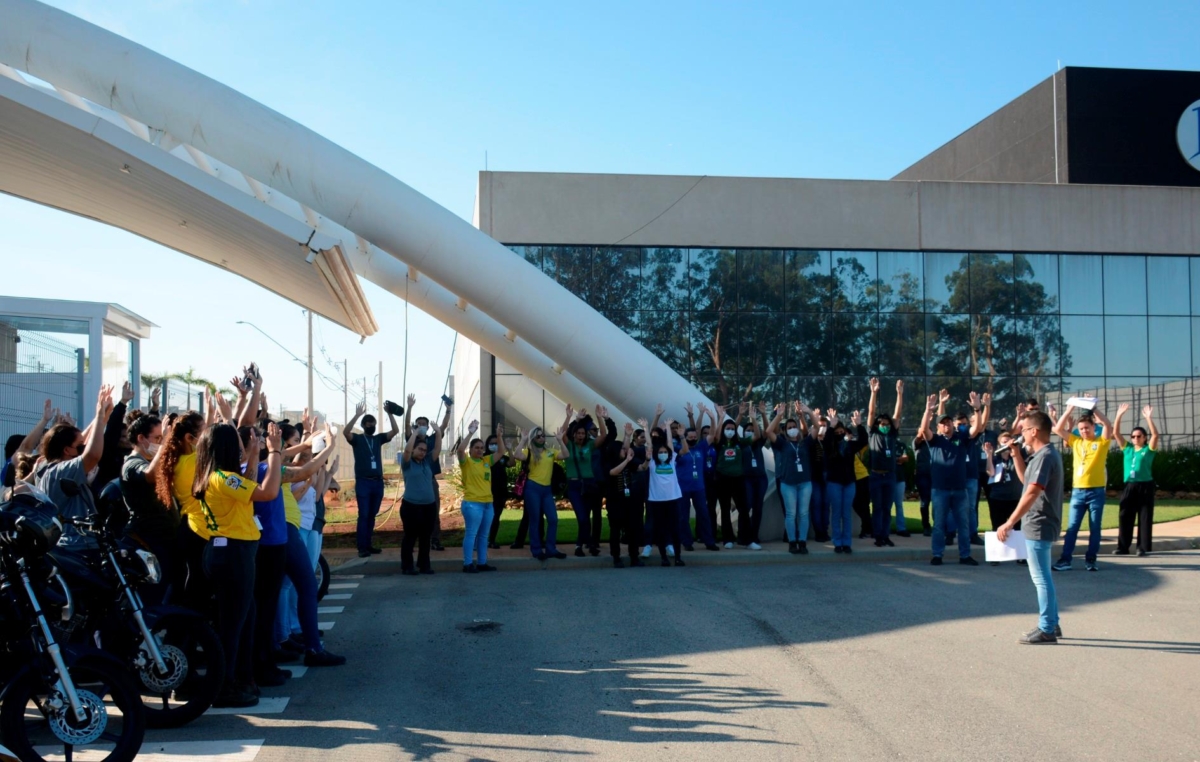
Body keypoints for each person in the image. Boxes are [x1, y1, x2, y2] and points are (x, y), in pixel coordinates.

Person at [191, 421, 283, 708]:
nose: (244, 447)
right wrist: (275, 452)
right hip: (233, 555)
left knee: (245, 619)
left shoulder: (219, 477)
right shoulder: (222, 478)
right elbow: (266, 492)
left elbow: (250, 483)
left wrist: (255, 454)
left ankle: (242, 678)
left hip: (230, 553)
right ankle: (223, 686)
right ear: (228, 448)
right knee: (232, 626)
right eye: (241, 444)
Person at [997, 411, 1064, 645]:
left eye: (1024, 429)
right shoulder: (1043, 455)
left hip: (1039, 523)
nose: (1021, 433)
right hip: (1040, 522)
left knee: (1041, 578)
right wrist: (1016, 455)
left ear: (1034, 431)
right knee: (1043, 577)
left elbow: (1033, 491)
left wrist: (1010, 521)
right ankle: (1052, 623)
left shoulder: (1045, 456)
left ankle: (1046, 628)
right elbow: (1027, 480)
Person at [34, 385, 114, 548]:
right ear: (67, 450)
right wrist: (99, 416)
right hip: (74, 546)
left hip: (80, 543)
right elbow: (92, 455)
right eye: (79, 446)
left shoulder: (50, 468)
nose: (83, 447)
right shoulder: (59, 471)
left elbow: (84, 441)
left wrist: (104, 417)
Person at [918, 392, 984, 566]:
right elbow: (924, 430)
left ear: (953, 425)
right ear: (938, 427)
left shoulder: (961, 439)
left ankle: (965, 555)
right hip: (940, 490)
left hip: (960, 490)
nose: (946, 425)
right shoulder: (935, 441)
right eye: (943, 423)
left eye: (948, 422)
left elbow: (976, 428)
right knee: (939, 525)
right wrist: (927, 411)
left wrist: (978, 409)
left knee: (963, 525)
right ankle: (937, 555)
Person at [1052, 402, 1118, 572]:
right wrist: (1069, 409)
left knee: (1095, 527)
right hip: (1078, 492)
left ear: (1093, 427)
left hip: (1096, 491)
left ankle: (1091, 560)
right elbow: (1058, 429)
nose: (1084, 431)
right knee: (1072, 527)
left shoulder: (1102, 442)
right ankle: (1065, 560)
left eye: (1087, 428)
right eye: (1081, 429)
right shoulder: (1076, 441)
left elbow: (1108, 425)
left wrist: (1093, 407)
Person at [118, 411, 175, 604]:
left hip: (163, 540)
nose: (161, 443)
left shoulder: (151, 460)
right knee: (149, 598)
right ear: (141, 438)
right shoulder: (132, 464)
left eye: (162, 438)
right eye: (157, 438)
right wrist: (166, 442)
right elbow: (150, 476)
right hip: (147, 541)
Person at [344, 400, 400, 559]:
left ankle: (368, 544)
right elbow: (345, 432)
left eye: (373, 423)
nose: (372, 426)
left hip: (377, 482)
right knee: (364, 514)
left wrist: (390, 413)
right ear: (363, 425)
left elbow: (395, 430)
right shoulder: (357, 439)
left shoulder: (378, 439)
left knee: (372, 515)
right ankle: (362, 547)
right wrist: (356, 415)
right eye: (368, 423)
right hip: (363, 482)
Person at [558, 404, 609, 557]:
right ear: (574, 435)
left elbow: (603, 435)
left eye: (583, 433)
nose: (581, 435)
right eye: (578, 433)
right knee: (582, 517)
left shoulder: (590, 445)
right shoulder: (569, 446)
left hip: (589, 484)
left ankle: (582, 546)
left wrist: (600, 418)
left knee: (586, 517)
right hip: (574, 485)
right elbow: (562, 433)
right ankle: (586, 544)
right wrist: (569, 417)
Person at [405, 399, 452, 551]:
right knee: (414, 513)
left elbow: (443, 427)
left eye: (424, 424)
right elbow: (406, 427)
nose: (421, 426)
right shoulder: (412, 441)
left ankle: (434, 540)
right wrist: (410, 407)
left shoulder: (432, 440)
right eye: (418, 424)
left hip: (430, 480)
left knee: (433, 511)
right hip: (414, 480)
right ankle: (413, 541)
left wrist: (448, 410)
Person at [766, 402, 814, 555]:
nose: (793, 429)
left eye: (794, 427)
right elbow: (768, 431)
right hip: (788, 484)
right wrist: (779, 416)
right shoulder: (782, 444)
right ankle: (792, 542)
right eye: (789, 427)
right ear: (786, 431)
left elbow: (816, 429)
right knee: (791, 514)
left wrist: (808, 413)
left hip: (805, 483)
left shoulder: (805, 443)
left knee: (804, 513)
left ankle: (802, 542)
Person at [513, 426, 566, 561]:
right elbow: (517, 455)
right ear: (533, 438)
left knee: (553, 519)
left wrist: (560, 440)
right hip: (532, 488)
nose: (542, 438)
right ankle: (536, 550)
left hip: (547, 490)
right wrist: (523, 440)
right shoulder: (529, 452)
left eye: (543, 435)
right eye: (538, 436)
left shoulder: (550, 452)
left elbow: (565, 455)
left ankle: (551, 549)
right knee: (535, 520)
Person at [458, 419, 505, 573]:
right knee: (471, 533)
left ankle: (482, 563)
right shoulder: (467, 462)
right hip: (472, 504)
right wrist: (470, 433)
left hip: (487, 504)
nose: (479, 450)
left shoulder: (486, 461)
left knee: (484, 535)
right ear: (470, 450)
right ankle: (467, 563)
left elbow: (501, 452)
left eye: (481, 448)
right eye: (476, 448)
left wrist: (499, 436)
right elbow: (460, 450)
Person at [1112, 405, 1158, 557]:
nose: (1135, 438)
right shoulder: (1128, 449)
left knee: (1144, 517)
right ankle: (1123, 547)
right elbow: (1115, 433)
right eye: (1133, 436)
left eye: (1139, 436)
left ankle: (1142, 548)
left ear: (1144, 438)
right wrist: (1119, 415)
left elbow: (1156, 436)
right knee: (1125, 515)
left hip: (1145, 485)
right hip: (1129, 486)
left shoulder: (1148, 450)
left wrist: (1148, 419)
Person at [399, 417, 443, 575]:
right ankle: (407, 566)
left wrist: (438, 433)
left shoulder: (427, 462)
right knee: (410, 537)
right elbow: (407, 451)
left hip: (428, 506)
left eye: (425, 450)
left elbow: (437, 449)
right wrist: (415, 432)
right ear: (414, 450)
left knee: (425, 537)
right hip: (411, 506)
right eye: (420, 449)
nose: (423, 452)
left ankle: (424, 565)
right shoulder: (407, 462)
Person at [866, 378, 904, 547]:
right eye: (882, 424)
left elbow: (897, 415)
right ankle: (878, 536)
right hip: (875, 476)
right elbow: (871, 412)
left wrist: (899, 394)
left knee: (888, 508)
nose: (885, 426)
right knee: (878, 508)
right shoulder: (873, 433)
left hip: (890, 476)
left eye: (887, 424)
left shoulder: (892, 434)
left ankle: (885, 534)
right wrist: (873, 393)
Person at [712, 404, 755, 549]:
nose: (730, 431)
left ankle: (747, 540)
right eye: (727, 429)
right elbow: (716, 435)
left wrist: (742, 415)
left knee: (744, 509)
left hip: (738, 479)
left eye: (732, 429)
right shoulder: (719, 442)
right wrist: (721, 417)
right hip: (722, 479)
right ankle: (727, 539)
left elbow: (756, 437)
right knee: (725, 509)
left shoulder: (739, 442)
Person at [676, 409, 719, 552]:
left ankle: (709, 541)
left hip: (699, 488)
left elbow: (712, 434)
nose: (693, 438)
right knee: (683, 516)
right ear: (685, 437)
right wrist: (681, 437)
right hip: (683, 488)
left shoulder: (701, 446)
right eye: (691, 436)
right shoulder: (679, 448)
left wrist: (713, 418)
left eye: (695, 436)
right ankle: (687, 541)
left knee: (704, 514)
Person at [646, 416, 686, 567]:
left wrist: (669, 428)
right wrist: (645, 428)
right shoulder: (651, 462)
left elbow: (669, 444)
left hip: (673, 499)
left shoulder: (672, 459)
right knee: (660, 530)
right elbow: (649, 445)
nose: (663, 453)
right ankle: (663, 557)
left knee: (675, 529)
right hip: (657, 501)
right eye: (660, 452)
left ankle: (677, 557)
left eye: (665, 452)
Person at [984, 432, 1027, 567]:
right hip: (998, 497)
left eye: (1009, 441)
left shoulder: (1017, 456)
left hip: (1015, 497)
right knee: (997, 525)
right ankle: (996, 555)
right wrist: (989, 455)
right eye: (1004, 442)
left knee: (1018, 526)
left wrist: (1015, 452)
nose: (1006, 444)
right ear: (999, 444)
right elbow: (990, 472)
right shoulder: (996, 459)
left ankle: (1020, 555)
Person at [823, 410, 861, 553]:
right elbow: (826, 442)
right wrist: (831, 426)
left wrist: (859, 425)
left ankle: (847, 542)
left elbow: (863, 441)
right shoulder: (831, 446)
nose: (840, 434)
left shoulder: (850, 445)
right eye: (837, 432)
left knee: (846, 513)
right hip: (834, 483)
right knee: (837, 513)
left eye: (842, 432)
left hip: (849, 483)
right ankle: (837, 542)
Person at [742, 402, 770, 549]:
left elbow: (766, 431)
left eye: (753, 431)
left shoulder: (758, 443)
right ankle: (744, 536)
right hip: (747, 479)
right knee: (746, 507)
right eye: (748, 430)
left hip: (760, 479)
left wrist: (762, 415)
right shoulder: (741, 444)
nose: (751, 432)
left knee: (758, 508)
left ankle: (754, 536)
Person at [485, 431, 512, 549]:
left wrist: (510, 449)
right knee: (485, 517)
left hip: (500, 492)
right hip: (486, 492)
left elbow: (512, 463)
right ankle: (482, 540)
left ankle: (492, 540)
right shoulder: (484, 457)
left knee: (496, 516)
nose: (493, 445)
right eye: (491, 443)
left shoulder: (501, 457)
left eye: (496, 443)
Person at [808, 413, 830, 543]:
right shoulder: (812, 441)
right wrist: (813, 418)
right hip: (814, 477)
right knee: (816, 504)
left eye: (824, 426)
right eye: (819, 425)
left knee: (826, 505)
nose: (822, 428)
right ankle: (818, 532)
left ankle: (825, 531)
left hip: (828, 477)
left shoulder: (829, 441)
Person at [912, 432, 933, 537]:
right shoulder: (918, 443)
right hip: (922, 476)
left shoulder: (934, 442)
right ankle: (926, 526)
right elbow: (919, 438)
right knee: (925, 502)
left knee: (939, 502)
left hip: (936, 476)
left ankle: (939, 526)